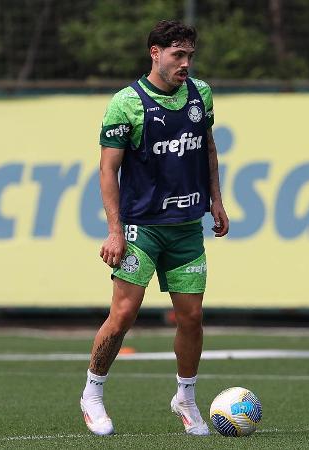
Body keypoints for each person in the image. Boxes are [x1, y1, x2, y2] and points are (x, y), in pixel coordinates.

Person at [80, 19, 229, 436]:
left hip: (186, 228)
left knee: (192, 317)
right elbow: (109, 171)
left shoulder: (201, 95)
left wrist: (216, 200)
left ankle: (185, 396)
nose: (186, 63)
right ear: (155, 53)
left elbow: (208, 148)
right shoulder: (126, 103)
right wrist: (114, 230)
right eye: (178, 55)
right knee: (124, 313)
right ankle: (92, 393)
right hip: (142, 229)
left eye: (190, 56)